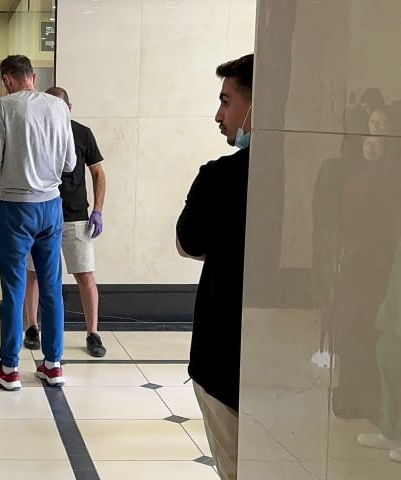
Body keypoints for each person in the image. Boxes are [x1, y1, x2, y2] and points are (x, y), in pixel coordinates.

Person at [175, 53, 253, 480]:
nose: (219, 115)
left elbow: (188, 243)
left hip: (223, 355)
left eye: (226, 101)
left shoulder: (219, 178)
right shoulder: (319, 172)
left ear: (257, 105)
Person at [0, 55, 76, 390]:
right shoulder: (59, 107)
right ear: (32, 76)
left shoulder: (4, 107)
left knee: (13, 289)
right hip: (51, 206)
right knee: (52, 287)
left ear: (7, 79)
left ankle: (9, 369)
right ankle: (53, 365)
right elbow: (70, 163)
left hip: (16, 207)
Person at [23, 86, 107, 358]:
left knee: (85, 275)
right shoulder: (35, 131)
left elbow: (98, 173)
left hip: (75, 216)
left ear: (69, 109)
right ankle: (33, 327)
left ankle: (92, 332)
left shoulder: (82, 133)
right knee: (34, 273)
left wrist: (98, 209)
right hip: (42, 212)